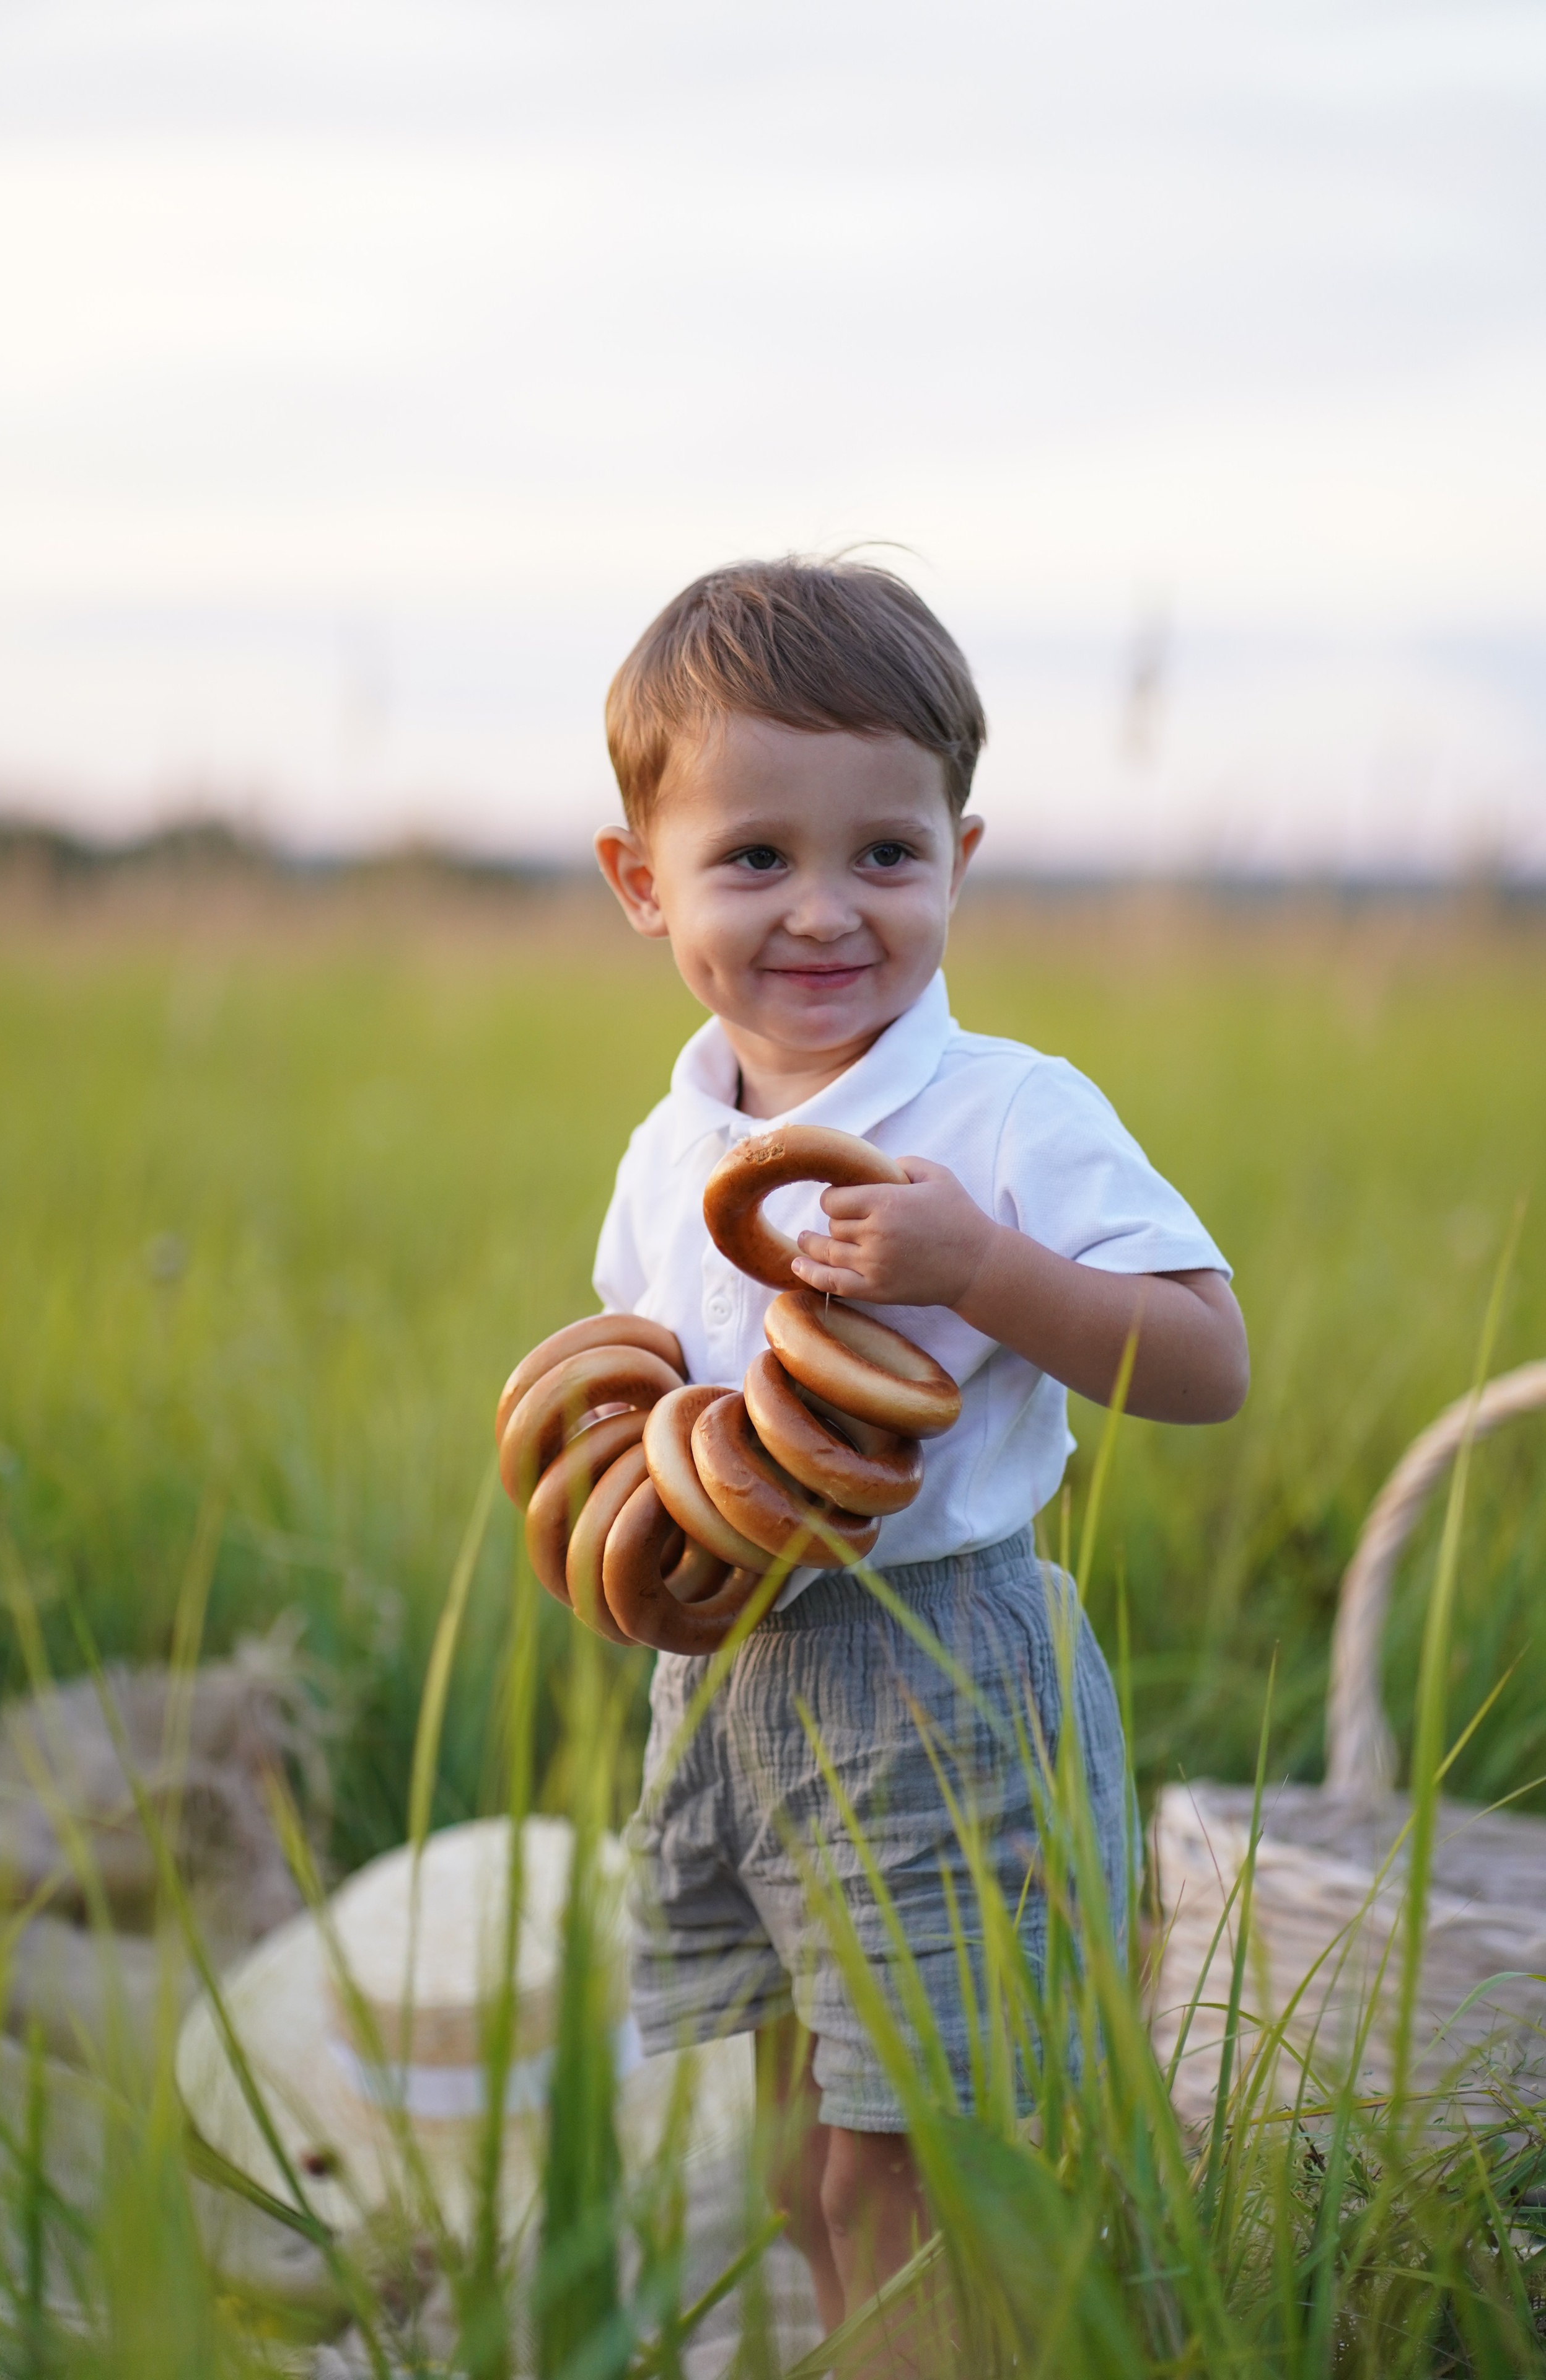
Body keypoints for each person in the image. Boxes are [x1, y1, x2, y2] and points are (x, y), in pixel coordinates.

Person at [590, 557, 1247, 2353]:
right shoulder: (675, 1148)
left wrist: (986, 1270)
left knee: (914, 2151)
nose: (823, 913)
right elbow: (645, 1388)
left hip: (940, 1680)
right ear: (642, 884)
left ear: (964, 850)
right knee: (800, 2128)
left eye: (885, 854)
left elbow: (1206, 1359)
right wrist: (629, 1518)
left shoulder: (1010, 1115)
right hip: (735, 1688)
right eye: (754, 859)